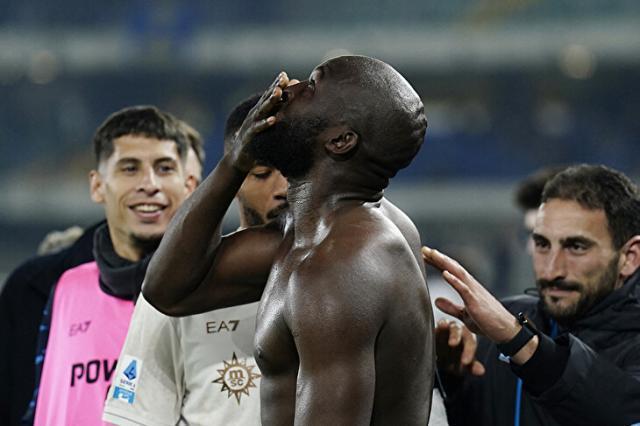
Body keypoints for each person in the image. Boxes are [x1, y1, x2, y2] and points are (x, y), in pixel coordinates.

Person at [143, 55, 435, 425]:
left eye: (311, 87)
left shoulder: (343, 264)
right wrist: (235, 161)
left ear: (340, 140)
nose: (288, 88)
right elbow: (168, 290)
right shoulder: (318, 232)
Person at [0, 114, 204, 426]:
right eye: (130, 168)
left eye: (164, 168)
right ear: (97, 186)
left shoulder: (222, 286)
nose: (149, 184)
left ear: (190, 185)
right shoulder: (60, 287)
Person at [102, 94, 288, 425]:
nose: (283, 189)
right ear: (233, 181)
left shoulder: (350, 271)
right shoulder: (177, 287)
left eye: (296, 171)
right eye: (262, 173)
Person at [424, 164, 640, 426]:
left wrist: (521, 342)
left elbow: (621, 411)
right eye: (541, 244)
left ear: (630, 257)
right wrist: (453, 379)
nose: (552, 270)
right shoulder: (502, 325)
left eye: (576, 247)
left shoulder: (508, 330)